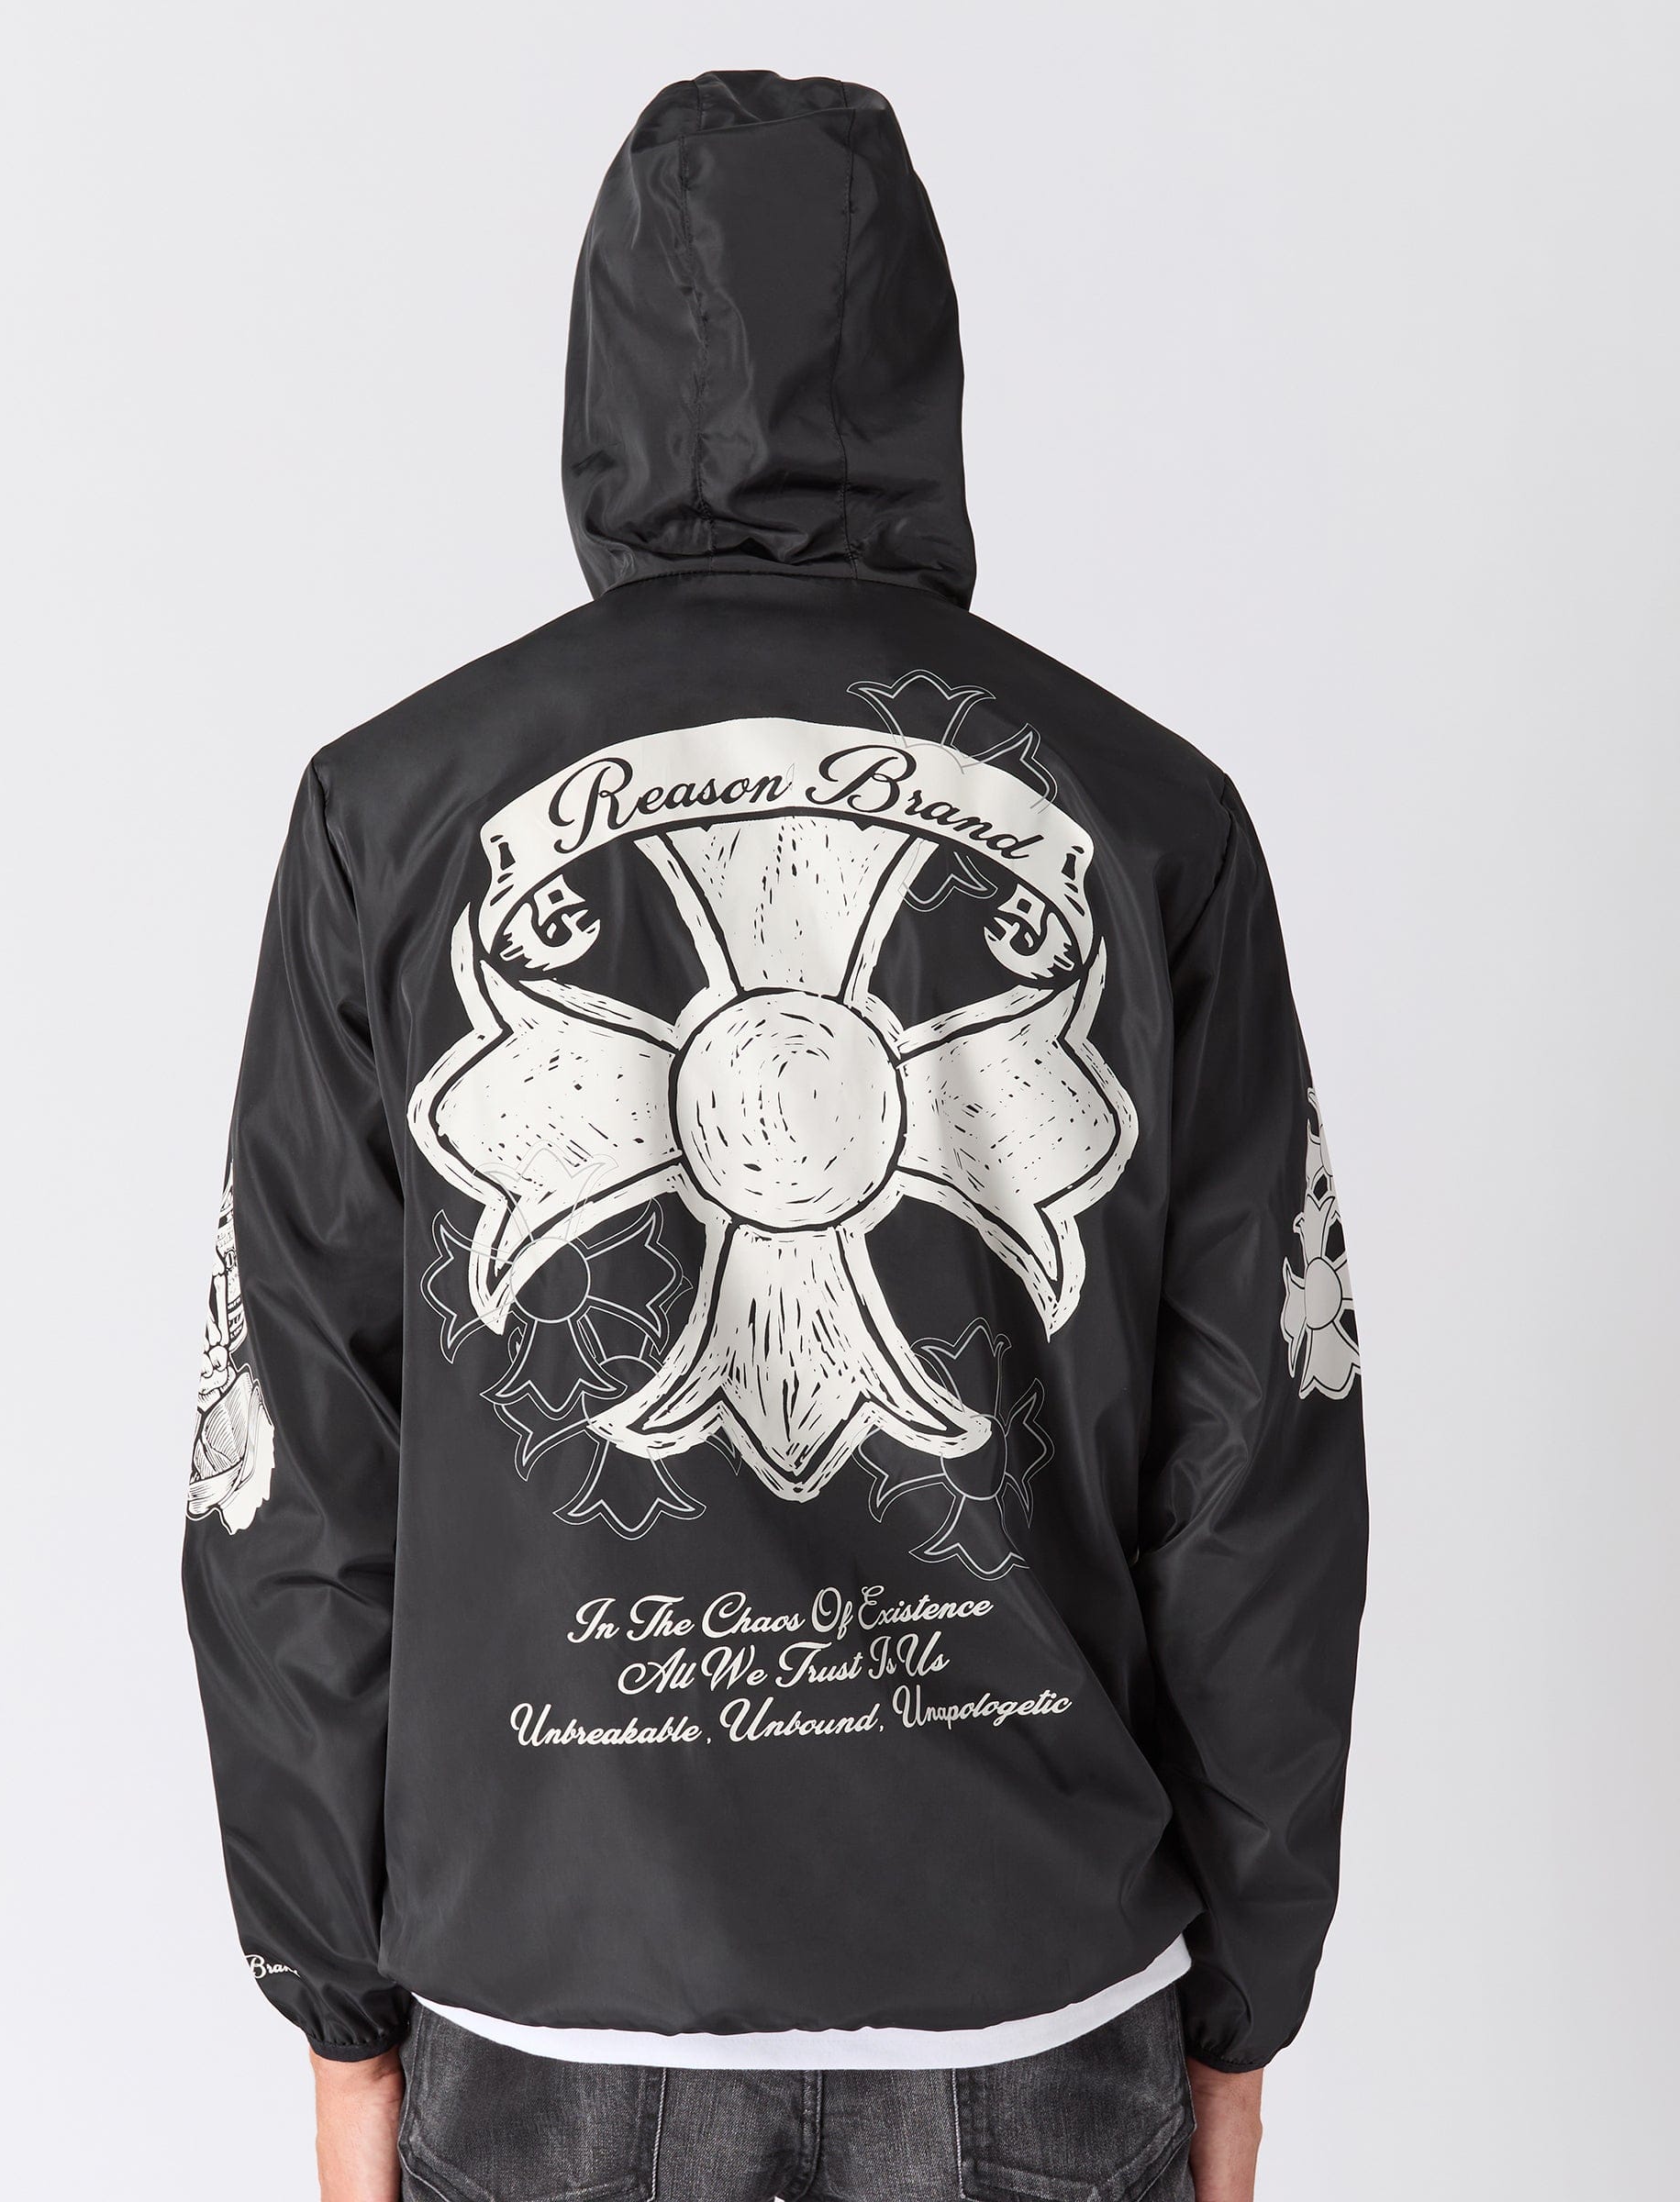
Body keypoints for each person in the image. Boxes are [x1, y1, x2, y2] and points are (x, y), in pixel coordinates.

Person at [184, 69, 1367, 2202]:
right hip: (1032, 1987)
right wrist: (1241, 2018)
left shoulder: (397, 813)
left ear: (603, 367)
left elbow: (289, 1461)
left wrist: (336, 2011)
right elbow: (1261, 1465)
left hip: (551, 1992)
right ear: (922, 372)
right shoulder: (1146, 816)